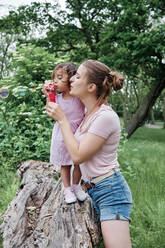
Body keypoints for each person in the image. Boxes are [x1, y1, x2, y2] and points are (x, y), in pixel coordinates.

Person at [46, 60, 133, 248]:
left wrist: (62, 120)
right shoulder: (87, 111)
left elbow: (77, 156)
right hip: (91, 188)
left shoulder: (105, 117)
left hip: (111, 192)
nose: (71, 79)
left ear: (91, 87)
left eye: (78, 76)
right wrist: (51, 94)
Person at [42, 62, 87, 204]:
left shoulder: (78, 97)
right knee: (65, 165)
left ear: (72, 79)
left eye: (60, 78)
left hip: (77, 134)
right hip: (62, 136)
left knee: (79, 163)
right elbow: (50, 110)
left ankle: (76, 186)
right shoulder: (58, 98)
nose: (55, 81)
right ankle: (67, 189)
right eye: (54, 78)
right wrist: (49, 95)